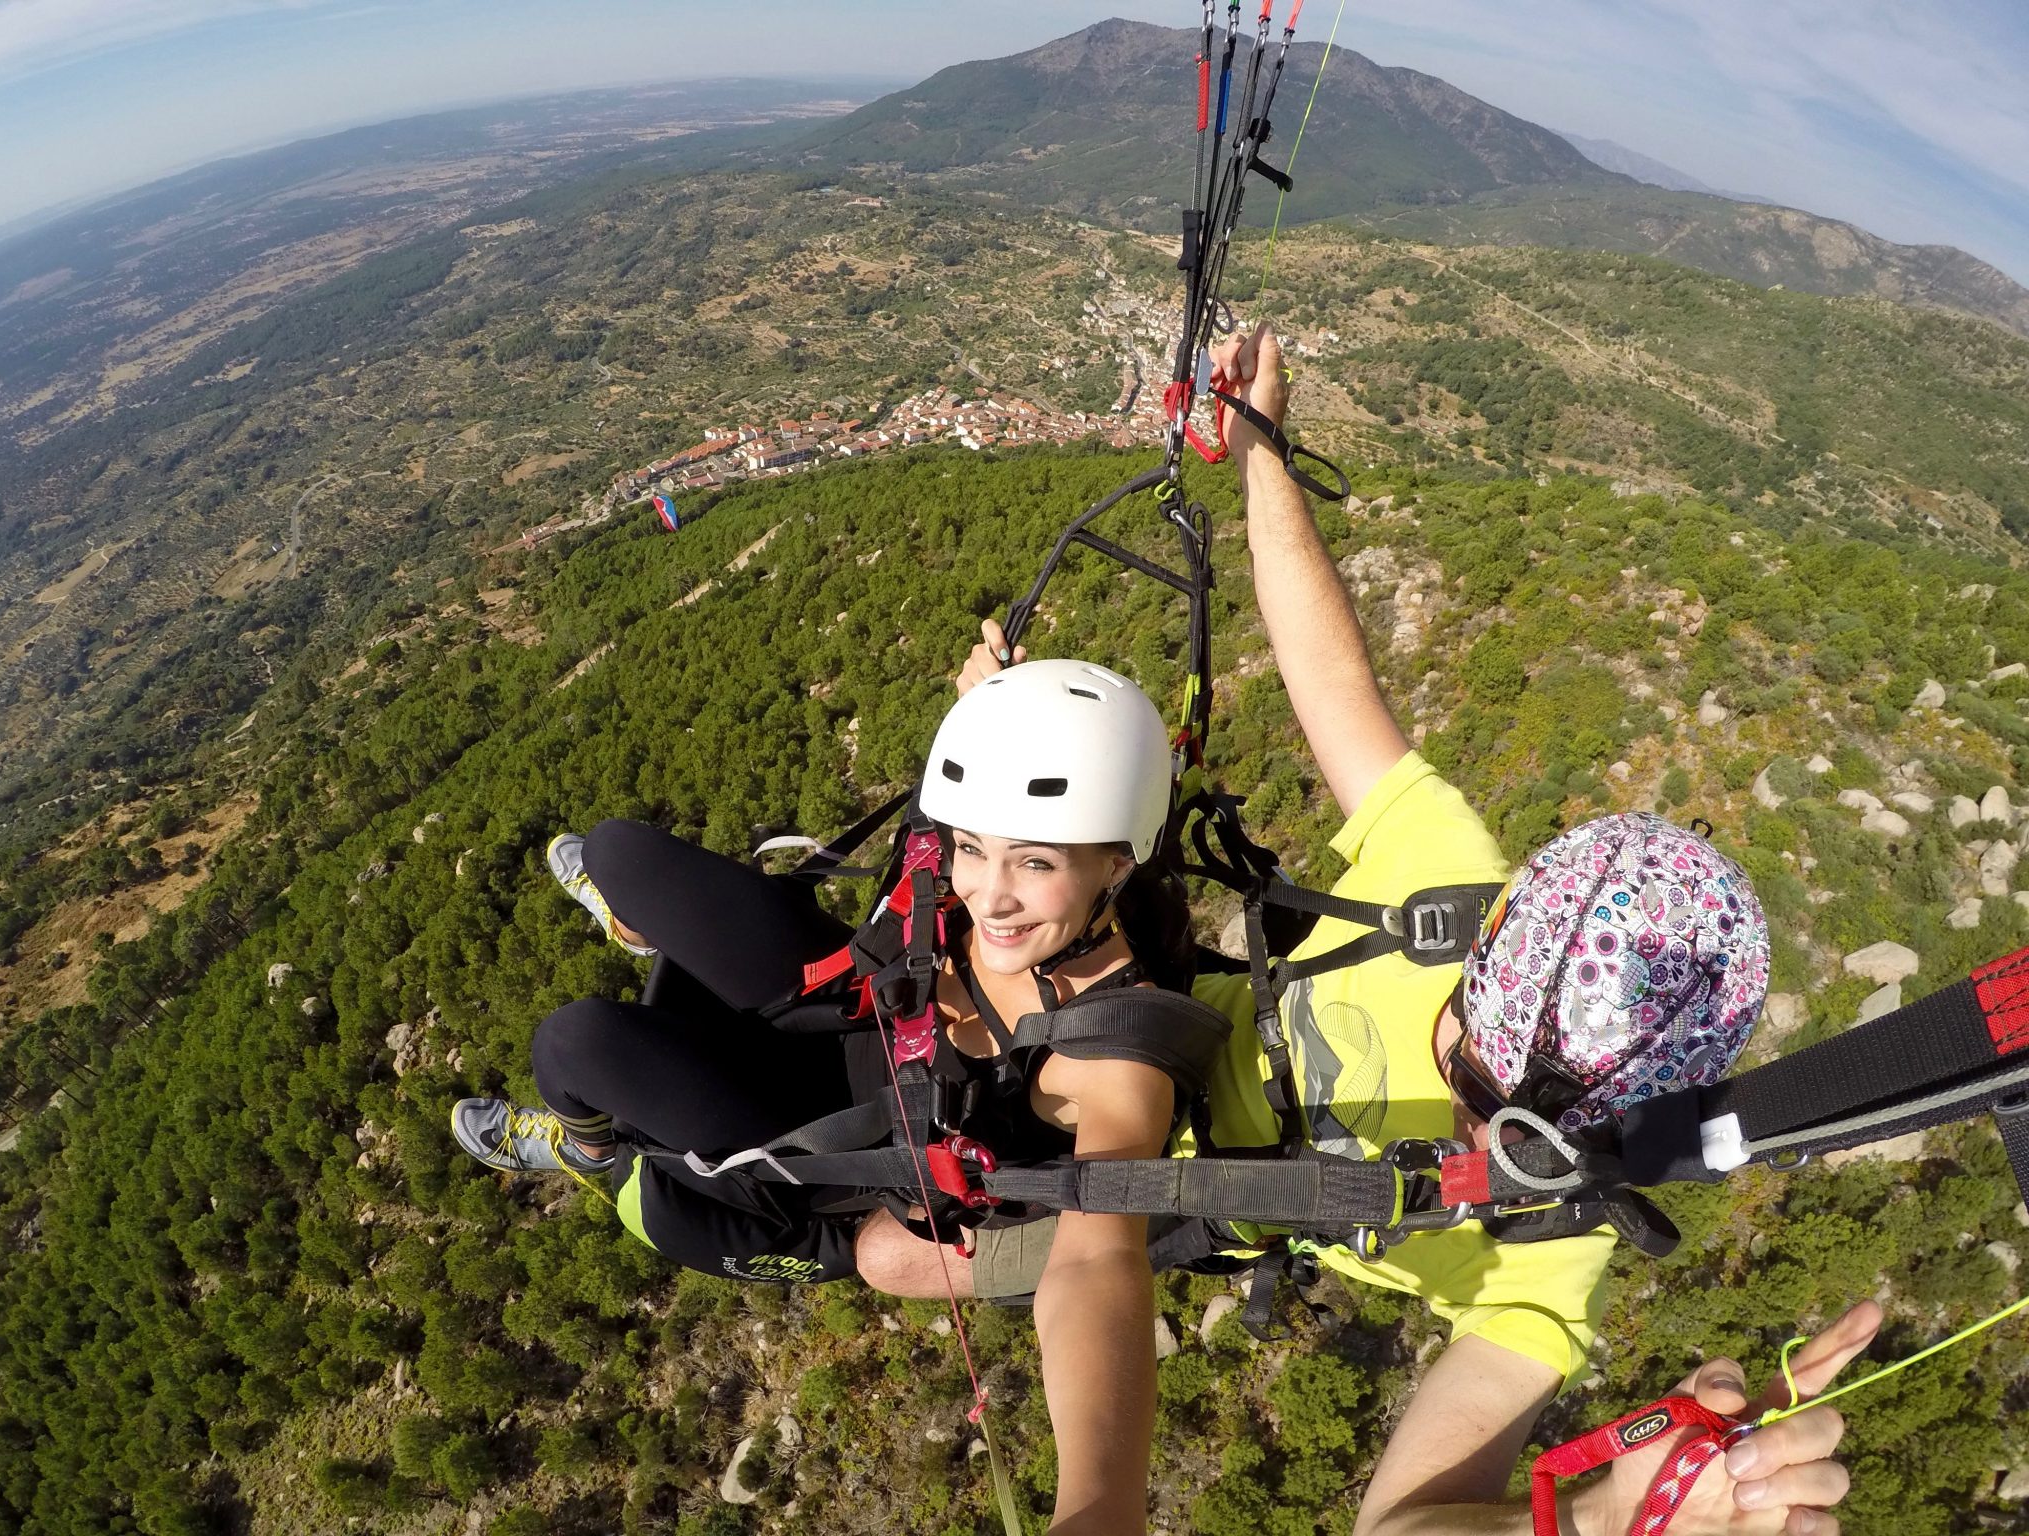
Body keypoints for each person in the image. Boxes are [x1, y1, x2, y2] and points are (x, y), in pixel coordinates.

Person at [885, 325, 1878, 1534]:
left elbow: (1398, 1528)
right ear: (1495, 939)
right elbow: (1325, 671)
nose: (1482, 1128)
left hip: (1179, 1195)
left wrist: (1600, 1519)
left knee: (893, 1253)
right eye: (1477, 1068)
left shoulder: (1548, 1244)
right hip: (1151, 1024)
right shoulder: (1444, 884)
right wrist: (1258, 449)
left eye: (1535, 1134)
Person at [450, 657, 1232, 1536]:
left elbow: (1097, 1262)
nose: (990, 897)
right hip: (855, 1005)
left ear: (1117, 862)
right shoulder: (997, 875)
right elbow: (984, 837)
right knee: (619, 850)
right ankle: (632, 919)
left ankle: (585, 1147)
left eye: (1037, 862)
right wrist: (988, 713)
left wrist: (1101, 1506)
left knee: (574, 1045)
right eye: (973, 846)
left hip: (842, 1144)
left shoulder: (1119, 1051)